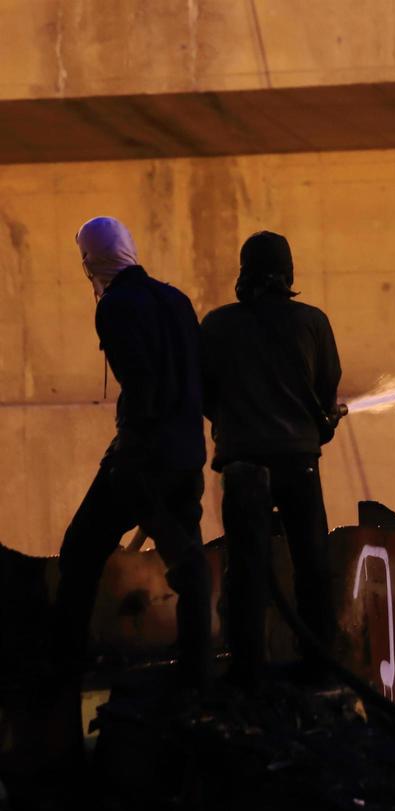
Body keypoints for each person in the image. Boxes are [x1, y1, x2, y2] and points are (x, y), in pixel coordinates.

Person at [55, 217, 211, 688]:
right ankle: (196, 668)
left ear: (91, 262)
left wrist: (129, 452)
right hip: (188, 454)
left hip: (147, 459)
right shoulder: (177, 299)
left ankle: (65, 664)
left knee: (80, 549)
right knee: (188, 562)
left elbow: (140, 384)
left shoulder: (116, 307)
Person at [201, 231, 343, 687]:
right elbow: (326, 391)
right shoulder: (312, 322)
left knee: (245, 569)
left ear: (244, 274)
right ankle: (320, 666)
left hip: (242, 464)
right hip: (298, 461)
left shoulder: (218, 325)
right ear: (289, 274)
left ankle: (247, 670)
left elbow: (204, 395)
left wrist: (237, 425)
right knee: (311, 565)